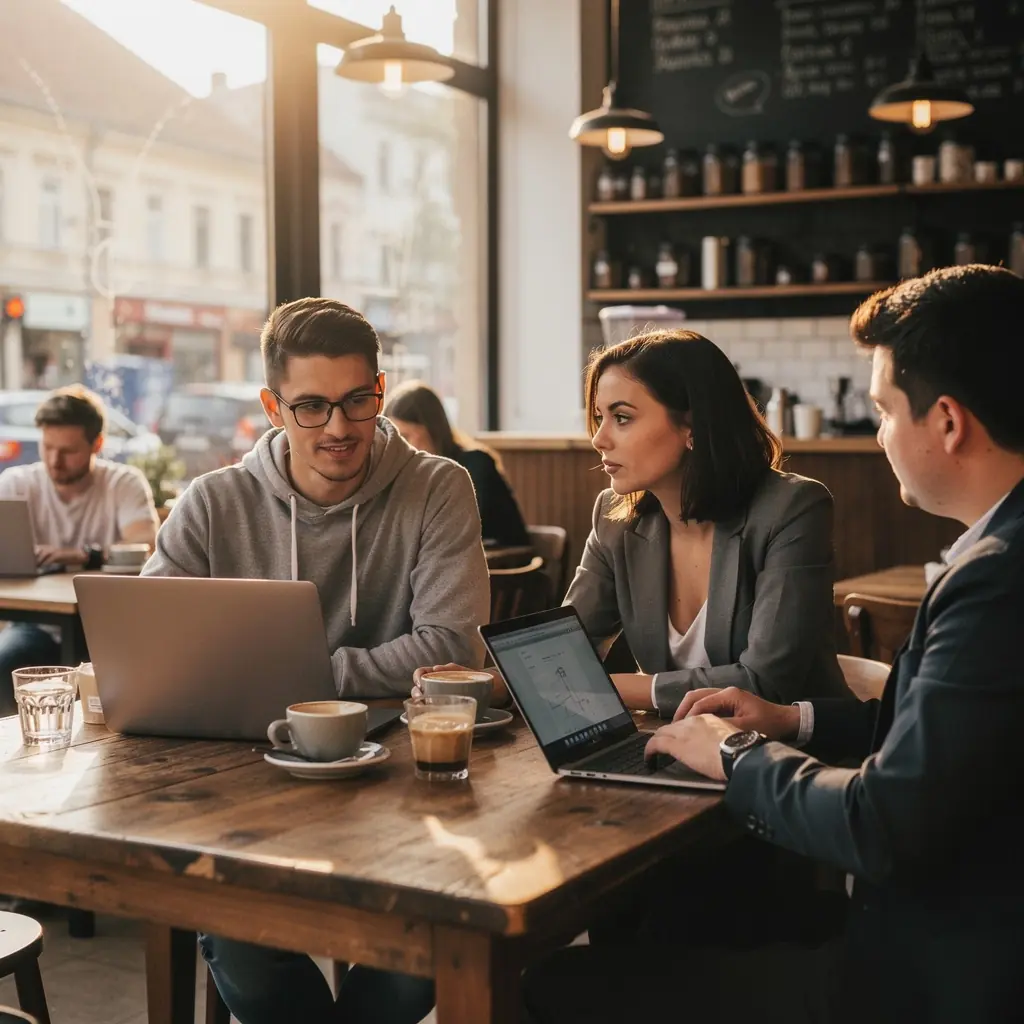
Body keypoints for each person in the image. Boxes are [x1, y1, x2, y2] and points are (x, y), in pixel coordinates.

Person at [524, 264, 1024, 1024]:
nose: (880, 430)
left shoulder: (994, 583)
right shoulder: (994, 561)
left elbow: (878, 822)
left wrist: (733, 752)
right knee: (636, 936)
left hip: (925, 979)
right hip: (938, 935)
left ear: (948, 422)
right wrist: (788, 722)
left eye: (885, 410)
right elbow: (925, 734)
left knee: (548, 988)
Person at [145, 297, 490, 1024]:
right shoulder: (213, 503)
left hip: (402, 776)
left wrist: (298, 675)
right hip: (248, 780)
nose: (338, 428)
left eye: (355, 402)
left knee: (420, 957)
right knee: (238, 940)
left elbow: (451, 646)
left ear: (380, 391)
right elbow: (151, 642)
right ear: (274, 406)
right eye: (310, 406)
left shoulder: (437, 487)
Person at [567, 329, 847, 718]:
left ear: (692, 426)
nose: (599, 439)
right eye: (599, 418)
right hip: (676, 749)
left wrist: (606, 687)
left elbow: (764, 683)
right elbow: (564, 651)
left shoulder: (792, 508)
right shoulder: (614, 517)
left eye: (621, 418)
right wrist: (479, 682)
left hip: (791, 759)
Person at [0, 386, 158, 713]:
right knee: (5, 667)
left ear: (97, 444)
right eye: (47, 447)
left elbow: (148, 547)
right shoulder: (16, 483)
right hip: (37, 625)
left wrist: (82, 555)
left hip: (108, 625)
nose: (54, 462)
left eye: (68, 451)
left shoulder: (123, 483)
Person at [384, 379, 530, 548]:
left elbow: (461, 531)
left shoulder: (476, 464)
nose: (398, 447)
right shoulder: (410, 475)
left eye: (405, 436)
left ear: (432, 430)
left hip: (507, 568)